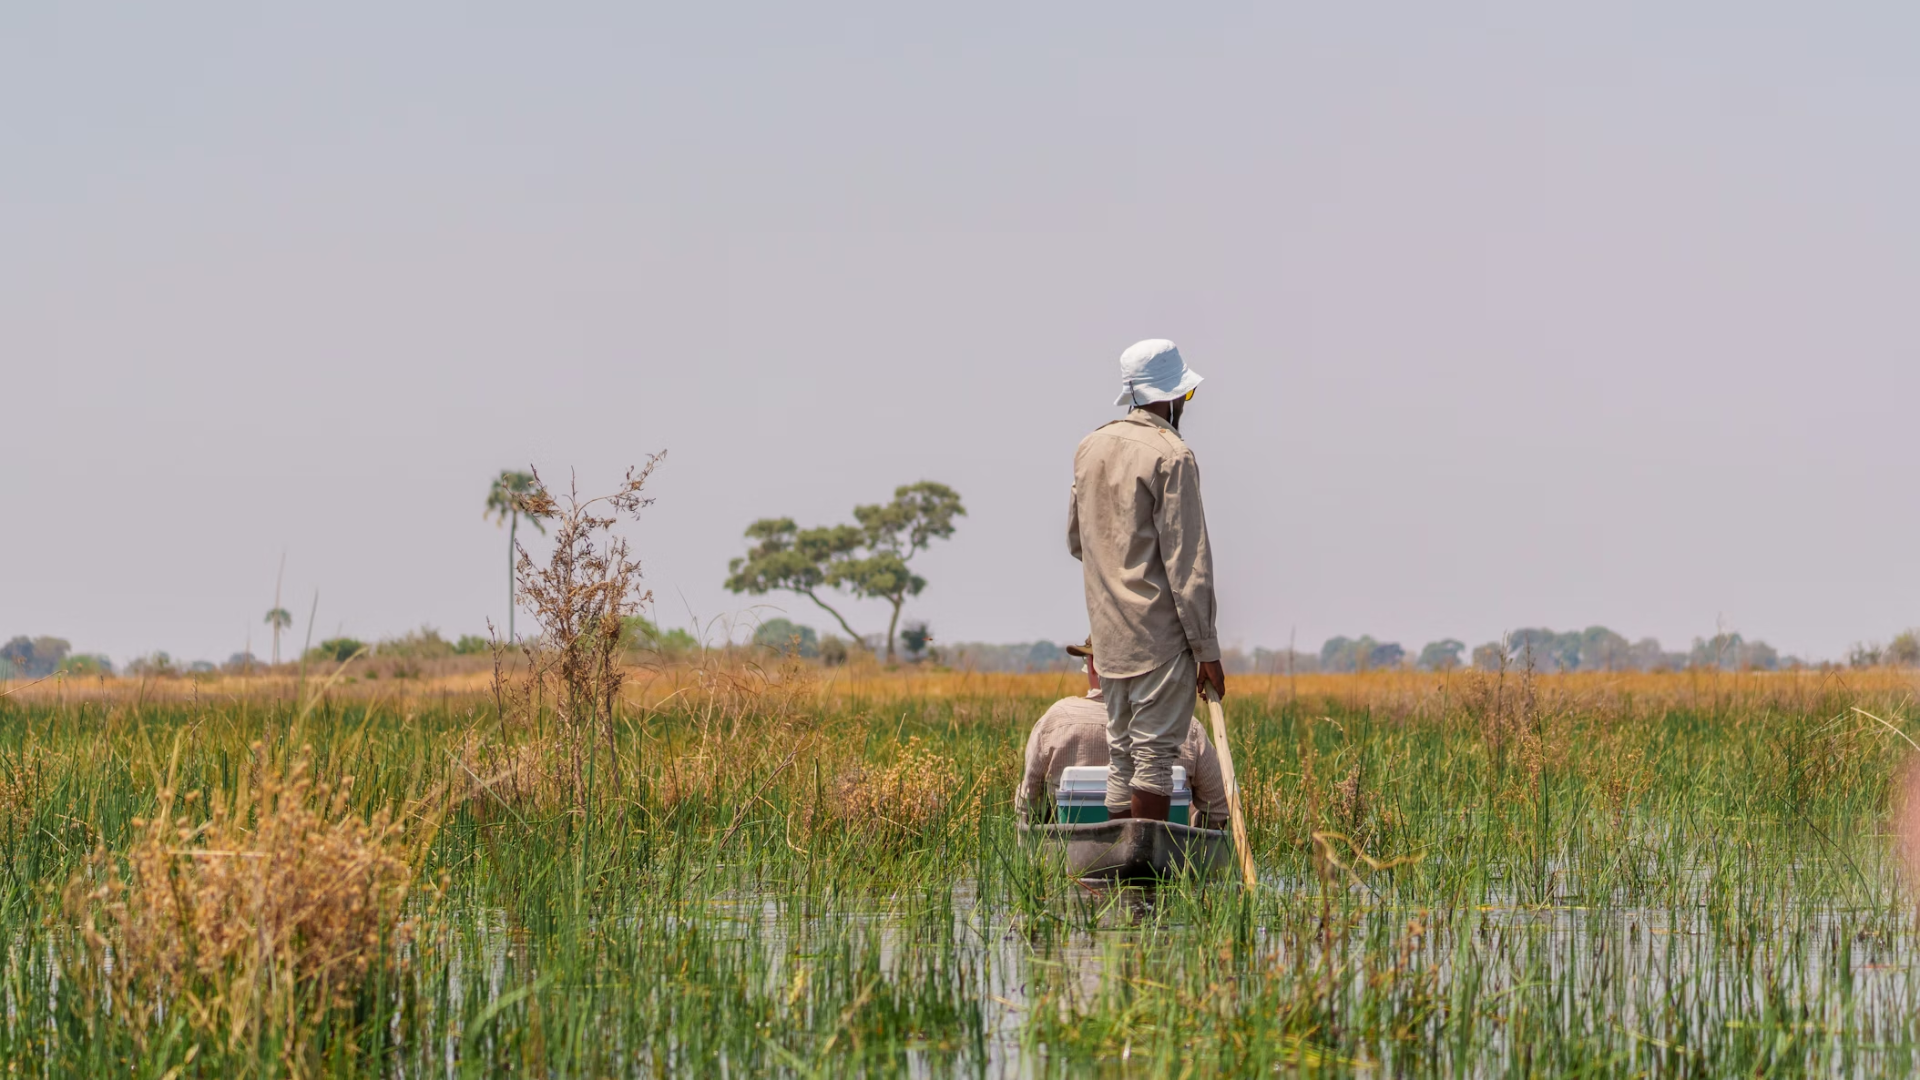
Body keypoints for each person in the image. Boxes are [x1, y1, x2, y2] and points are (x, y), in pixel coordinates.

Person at [1068, 339, 1225, 822]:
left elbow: (1078, 542)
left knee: (1123, 756)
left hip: (1111, 640)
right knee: (1155, 759)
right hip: (1160, 638)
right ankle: (1143, 878)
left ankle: (1116, 879)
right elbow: (1188, 566)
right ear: (1173, 397)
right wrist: (1208, 652)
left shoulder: (1089, 447)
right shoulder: (1172, 455)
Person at [1015, 639, 1229, 826]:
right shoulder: (1186, 726)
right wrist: (1191, 832)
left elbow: (1028, 805)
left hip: (1072, 859)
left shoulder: (1056, 720)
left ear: (1095, 667)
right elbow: (1220, 809)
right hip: (1168, 861)